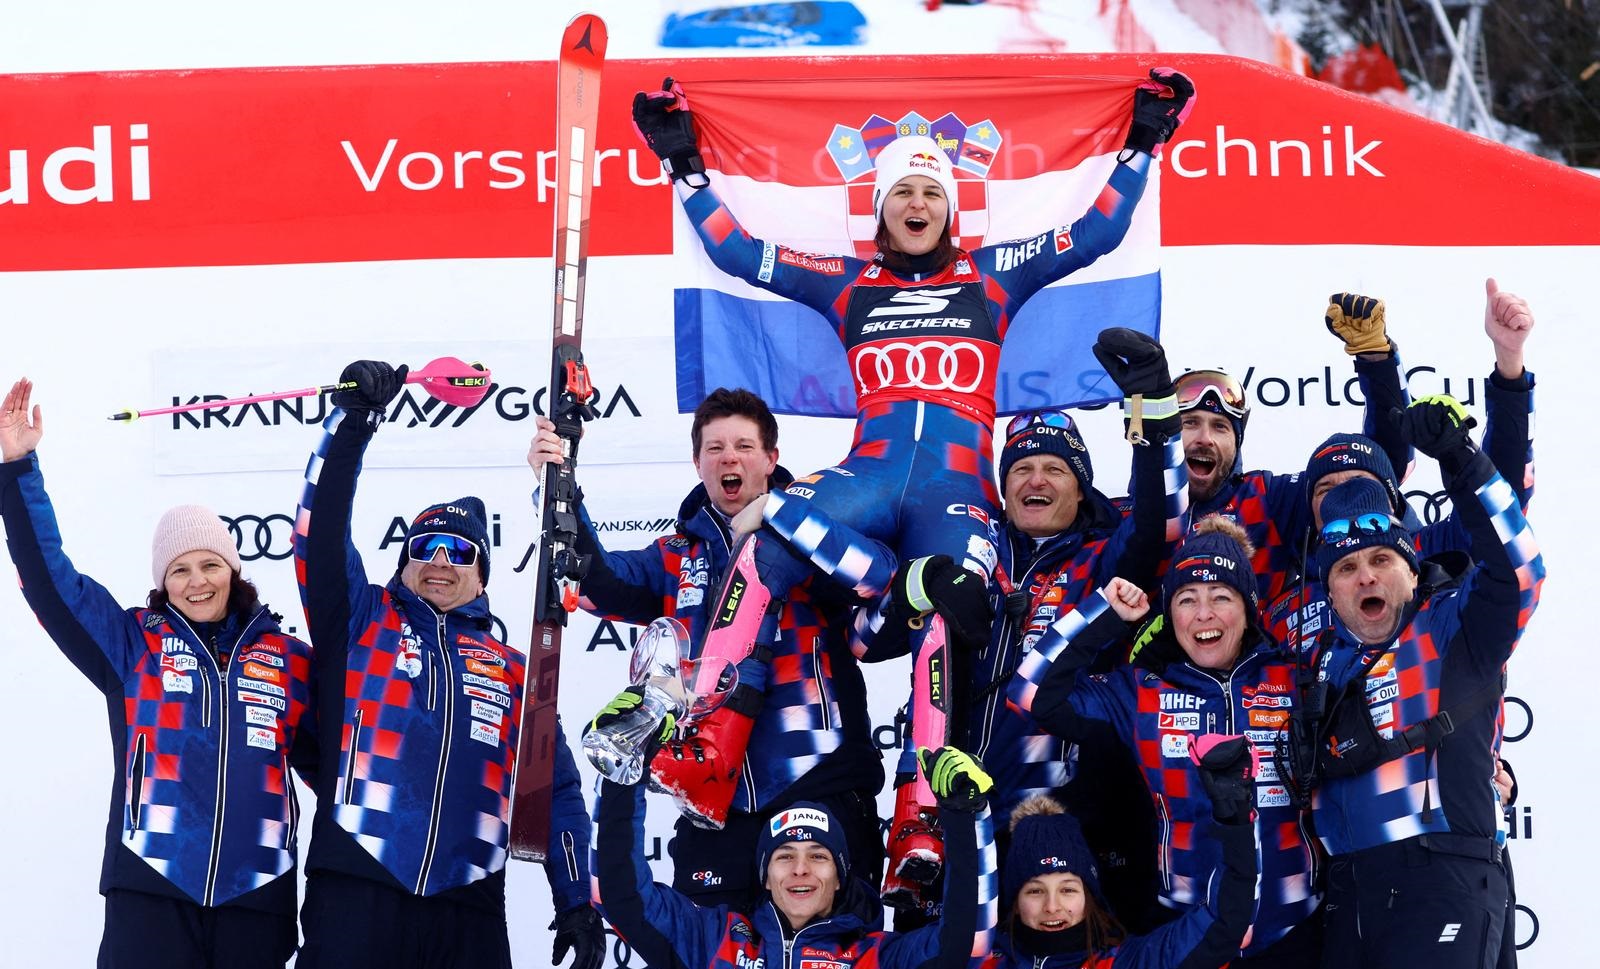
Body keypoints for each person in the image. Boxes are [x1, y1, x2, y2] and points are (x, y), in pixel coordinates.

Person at [630, 69, 1196, 873]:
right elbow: (739, 253)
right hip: (868, 476)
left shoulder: (994, 276)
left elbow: (1095, 233)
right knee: (763, 546)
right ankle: (707, 741)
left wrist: (1142, 143)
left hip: (955, 494)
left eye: (930, 191)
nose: (918, 204)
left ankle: (921, 819)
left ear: (950, 207)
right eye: (903, 194)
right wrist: (684, 164)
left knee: (947, 616)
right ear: (883, 209)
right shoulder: (848, 282)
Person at [292, 361, 602, 969]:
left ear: (482, 571)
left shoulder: (515, 670)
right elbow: (317, 531)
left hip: (469, 905)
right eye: (423, 548)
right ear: (403, 561)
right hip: (358, 890)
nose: (439, 560)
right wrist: (352, 423)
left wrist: (576, 902)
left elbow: (558, 792)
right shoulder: (361, 620)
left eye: (459, 551)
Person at [0, 377, 314, 969]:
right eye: (180, 570)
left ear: (233, 570)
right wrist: (19, 471)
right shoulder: (132, 645)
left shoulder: (288, 661)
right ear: (162, 582)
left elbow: (350, 764)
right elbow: (50, 582)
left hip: (259, 897)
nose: (197, 581)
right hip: (151, 888)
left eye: (209, 565)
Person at [1009, 519, 1323, 966]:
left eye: (1221, 597)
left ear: (1248, 609)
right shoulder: (1141, 692)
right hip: (1185, 934)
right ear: (1169, 614)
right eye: (1186, 599)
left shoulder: (1294, 678)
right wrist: (1103, 614)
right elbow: (1028, 692)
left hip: (1293, 930)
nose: (1203, 614)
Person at [1299, 395, 1544, 969]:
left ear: (1412, 568)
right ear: (1329, 590)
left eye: (1381, 559)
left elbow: (1522, 565)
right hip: (1346, 894)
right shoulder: (1321, 660)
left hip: (1442, 879)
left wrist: (1461, 458)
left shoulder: (1455, 626)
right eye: (1345, 568)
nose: (1365, 576)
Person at [592, 680, 998, 969]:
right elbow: (620, 897)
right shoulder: (714, 943)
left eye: (817, 855)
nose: (800, 868)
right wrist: (621, 768)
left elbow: (968, 945)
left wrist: (968, 818)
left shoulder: (875, 958)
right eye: (784, 855)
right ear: (765, 876)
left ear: (840, 876)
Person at [1172, 292, 1411, 603]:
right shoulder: (1125, 514)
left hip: (1254, 651)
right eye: (1190, 423)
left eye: (1220, 427)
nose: (1205, 438)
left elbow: (1379, 470)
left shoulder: (1268, 498)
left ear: (1237, 442)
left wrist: (1376, 361)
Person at [985, 748, 1257, 969]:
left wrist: (1234, 819)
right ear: (1016, 903)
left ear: (1089, 896)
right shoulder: (979, 960)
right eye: (1035, 891)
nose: (1052, 906)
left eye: (1068, 888)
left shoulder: (1131, 962)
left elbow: (1221, 925)